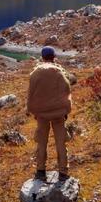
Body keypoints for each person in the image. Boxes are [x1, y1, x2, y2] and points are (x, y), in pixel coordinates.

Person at [26, 46, 72, 182]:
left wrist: (34, 110)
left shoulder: (35, 73)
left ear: (42, 57)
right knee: (60, 143)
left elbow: (31, 95)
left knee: (41, 143)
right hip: (58, 114)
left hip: (42, 115)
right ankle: (63, 172)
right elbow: (67, 91)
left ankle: (40, 171)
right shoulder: (60, 72)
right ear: (54, 57)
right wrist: (65, 110)